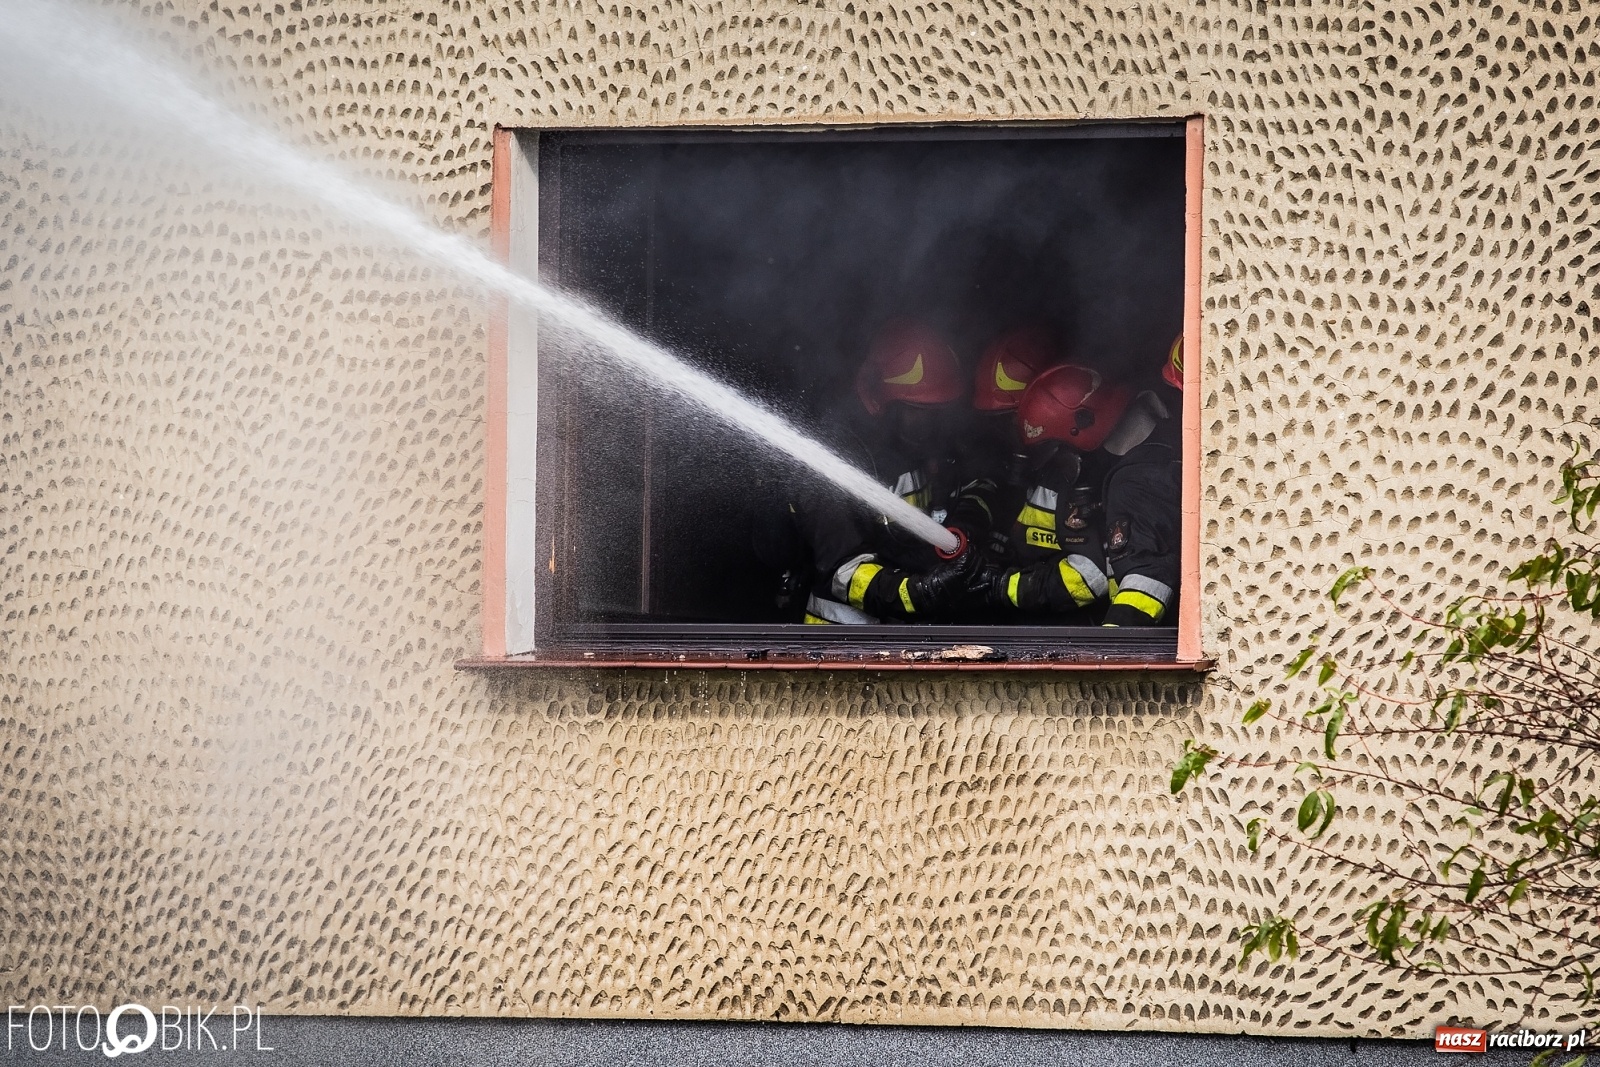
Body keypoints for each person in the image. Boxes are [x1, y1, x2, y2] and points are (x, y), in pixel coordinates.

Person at [776, 321, 977, 624]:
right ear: (881, 400)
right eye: (918, 411)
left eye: (937, 413)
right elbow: (844, 572)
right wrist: (921, 592)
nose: (931, 425)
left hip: (903, 636)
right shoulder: (829, 463)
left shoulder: (913, 451)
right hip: (842, 647)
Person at [972, 362, 1181, 625]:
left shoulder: (1134, 482)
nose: (1064, 464)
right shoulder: (1142, 454)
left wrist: (1113, 653)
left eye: (1062, 451)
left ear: (1083, 428)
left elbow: (1138, 581)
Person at [949, 330, 1111, 623]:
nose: (1012, 432)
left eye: (1015, 417)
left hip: (1068, 628)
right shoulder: (1016, 459)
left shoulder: (1079, 471)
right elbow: (997, 491)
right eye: (1001, 422)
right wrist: (969, 520)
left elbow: (1091, 575)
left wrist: (1001, 586)